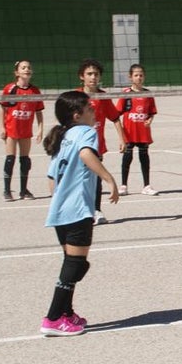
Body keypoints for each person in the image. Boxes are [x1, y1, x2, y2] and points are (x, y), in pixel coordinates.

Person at [40, 91, 119, 336]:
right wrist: (109, 179)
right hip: (77, 210)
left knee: (74, 263)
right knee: (75, 265)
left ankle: (66, 313)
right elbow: (86, 154)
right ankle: (53, 319)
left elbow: (51, 177)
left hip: (60, 210)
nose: (94, 112)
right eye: (90, 109)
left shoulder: (62, 137)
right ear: (77, 115)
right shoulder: (86, 132)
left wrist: (59, 200)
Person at [77, 59, 124, 224]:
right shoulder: (76, 96)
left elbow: (115, 118)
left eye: (96, 74)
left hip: (96, 146)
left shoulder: (103, 97)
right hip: (78, 146)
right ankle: (80, 210)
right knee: (80, 179)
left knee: (96, 179)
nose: (93, 77)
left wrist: (122, 139)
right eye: (89, 74)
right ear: (82, 76)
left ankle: (96, 210)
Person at [0, 59, 44, 201]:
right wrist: (2, 127)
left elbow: (39, 112)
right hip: (12, 129)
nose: (27, 69)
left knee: (25, 160)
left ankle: (24, 190)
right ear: (17, 72)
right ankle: (7, 190)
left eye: (28, 67)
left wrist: (40, 129)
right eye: (23, 68)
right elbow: (2, 108)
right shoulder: (10, 89)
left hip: (26, 130)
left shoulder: (35, 91)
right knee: (10, 159)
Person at [118, 63, 159, 196]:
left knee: (144, 157)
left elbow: (151, 112)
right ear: (130, 77)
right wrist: (121, 135)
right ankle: (123, 185)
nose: (139, 77)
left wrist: (150, 120)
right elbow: (117, 113)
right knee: (127, 158)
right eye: (136, 75)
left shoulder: (148, 94)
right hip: (129, 132)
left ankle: (146, 186)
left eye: (141, 75)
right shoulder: (126, 94)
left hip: (143, 132)